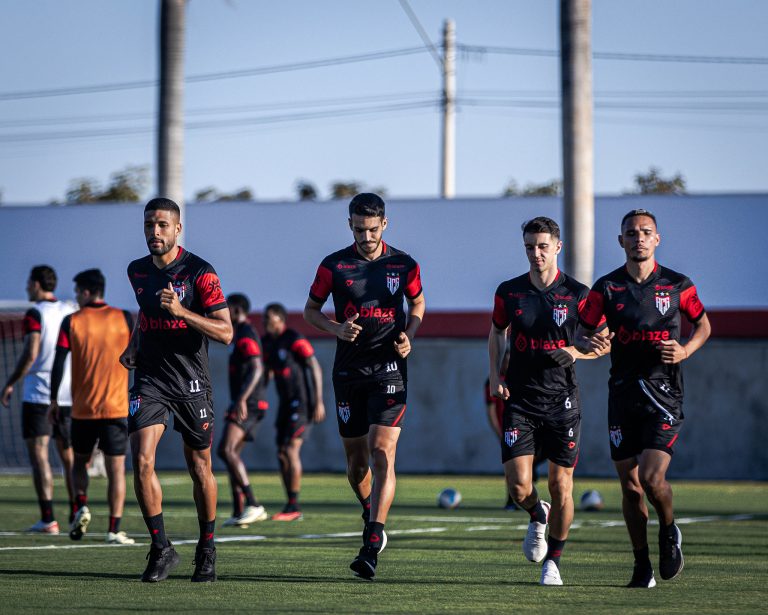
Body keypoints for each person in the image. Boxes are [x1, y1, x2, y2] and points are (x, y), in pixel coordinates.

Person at [577, 209, 711, 588]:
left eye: (646, 232)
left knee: (652, 479)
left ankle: (669, 530)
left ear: (657, 239)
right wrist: (591, 341)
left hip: (664, 395)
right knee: (630, 487)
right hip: (622, 395)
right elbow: (579, 333)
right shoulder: (606, 288)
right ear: (621, 241)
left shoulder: (677, 284)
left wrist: (686, 349)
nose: (638, 238)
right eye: (631, 233)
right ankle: (641, 565)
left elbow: (703, 324)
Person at [304, 193, 425, 580]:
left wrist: (410, 333)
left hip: (389, 369)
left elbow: (418, 305)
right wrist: (336, 328)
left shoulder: (404, 264)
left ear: (384, 224)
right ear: (349, 225)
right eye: (359, 229)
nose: (366, 236)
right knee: (357, 465)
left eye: (372, 229)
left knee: (381, 450)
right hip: (348, 371)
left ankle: (372, 541)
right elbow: (310, 310)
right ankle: (370, 507)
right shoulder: (333, 266)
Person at [488, 217, 607, 586]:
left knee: (562, 484)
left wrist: (576, 351)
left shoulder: (579, 294)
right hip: (521, 399)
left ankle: (553, 561)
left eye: (542, 246)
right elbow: (496, 332)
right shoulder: (509, 292)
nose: (535, 253)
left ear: (558, 247)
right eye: (529, 246)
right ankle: (538, 514)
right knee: (519, 487)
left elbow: (603, 340)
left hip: (562, 401)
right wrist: (496, 375)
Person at [120, 197, 233, 583]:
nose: (155, 232)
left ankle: (207, 549)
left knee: (199, 467)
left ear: (178, 228)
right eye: (150, 224)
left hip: (192, 383)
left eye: (163, 225)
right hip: (150, 380)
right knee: (141, 459)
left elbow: (226, 332)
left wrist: (182, 312)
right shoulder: (136, 271)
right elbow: (145, 312)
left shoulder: (201, 272)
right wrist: (135, 342)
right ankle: (161, 548)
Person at [49, 269, 135, 545]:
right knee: (116, 470)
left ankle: (81, 505)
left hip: (83, 409)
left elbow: (59, 362)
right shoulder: (124, 318)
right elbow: (138, 357)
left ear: (86, 291)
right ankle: (114, 529)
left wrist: (53, 399)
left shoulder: (72, 321)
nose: (76, 296)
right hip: (116, 408)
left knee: (79, 464)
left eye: (77, 291)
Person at [1, 265, 76, 533]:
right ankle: (78, 510)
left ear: (35, 284)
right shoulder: (71, 310)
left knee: (40, 456)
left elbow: (31, 352)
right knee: (69, 458)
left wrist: (10, 383)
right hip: (67, 393)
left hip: (38, 393)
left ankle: (48, 519)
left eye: (28, 283)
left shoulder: (35, 313)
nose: (26, 289)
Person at [261, 302, 326, 521]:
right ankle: (289, 502)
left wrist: (318, 401)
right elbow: (267, 371)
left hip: (303, 403)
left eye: (268, 318)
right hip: (284, 404)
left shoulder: (294, 338)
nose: (265, 323)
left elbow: (314, 366)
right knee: (281, 453)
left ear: (280, 318)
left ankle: (294, 505)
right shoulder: (268, 342)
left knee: (291, 450)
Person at [217, 293, 268, 528]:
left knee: (226, 450)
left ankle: (253, 504)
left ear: (236, 310)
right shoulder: (238, 335)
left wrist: (242, 400)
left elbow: (257, 368)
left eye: (227, 308)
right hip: (245, 402)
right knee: (230, 454)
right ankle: (239, 511)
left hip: (248, 403)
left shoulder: (246, 334)